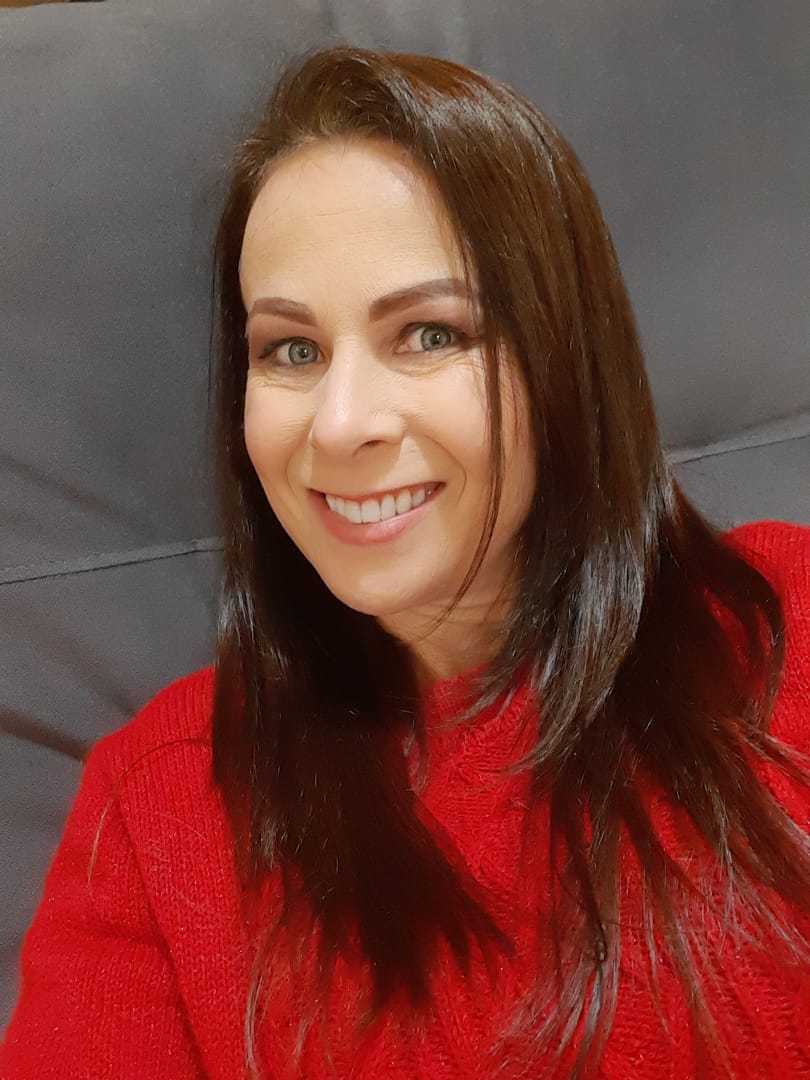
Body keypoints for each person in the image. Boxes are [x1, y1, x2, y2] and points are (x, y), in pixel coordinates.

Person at [2, 44, 809, 1080]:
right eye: (292, 350)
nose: (340, 424)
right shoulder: (156, 811)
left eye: (429, 334)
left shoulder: (786, 630)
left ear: (564, 361)